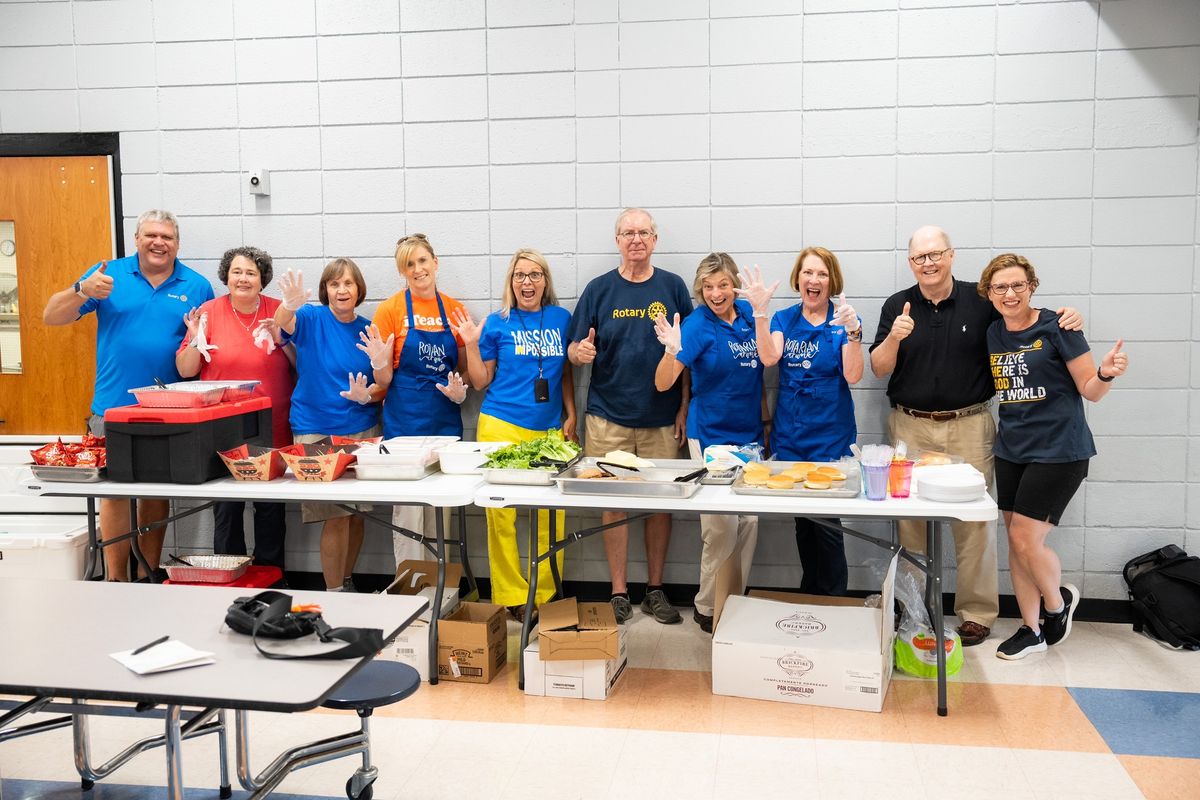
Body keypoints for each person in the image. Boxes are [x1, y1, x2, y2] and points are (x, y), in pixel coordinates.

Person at [869, 225, 1082, 646]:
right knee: (909, 524)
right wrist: (894, 336)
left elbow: (1023, 318)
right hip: (909, 425)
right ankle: (915, 609)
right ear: (910, 262)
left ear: (951, 255)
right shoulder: (897, 305)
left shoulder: (981, 301)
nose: (928, 263)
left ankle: (978, 614)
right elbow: (878, 368)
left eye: (936, 254)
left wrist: (1066, 317)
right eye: (919, 257)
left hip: (969, 424)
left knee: (974, 524)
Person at [43, 209, 214, 581]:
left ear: (177, 244)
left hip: (169, 414)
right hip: (112, 409)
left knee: (155, 496)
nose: (159, 242)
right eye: (151, 235)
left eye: (167, 237)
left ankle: (147, 576)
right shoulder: (107, 276)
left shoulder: (198, 286)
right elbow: (51, 316)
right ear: (136, 239)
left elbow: (202, 349)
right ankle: (115, 579)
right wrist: (80, 290)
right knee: (115, 495)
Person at [979, 254, 1127, 659]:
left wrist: (1107, 372)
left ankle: (1057, 604)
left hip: (1060, 450)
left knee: (1027, 538)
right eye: (1000, 287)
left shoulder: (1058, 326)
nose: (1009, 294)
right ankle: (1031, 630)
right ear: (989, 293)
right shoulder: (993, 332)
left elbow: (1090, 389)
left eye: (1017, 285)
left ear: (1031, 287)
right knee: (1014, 539)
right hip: (1011, 449)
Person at [567, 208, 693, 625]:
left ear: (655, 239)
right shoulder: (598, 289)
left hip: (661, 418)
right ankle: (619, 591)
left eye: (643, 232)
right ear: (617, 240)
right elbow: (574, 349)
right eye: (628, 233)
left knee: (661, 504)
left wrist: (684, 406)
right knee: (613, 505)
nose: (636, 239)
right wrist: (579, 352)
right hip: (608, 418)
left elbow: (687, 355)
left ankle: (655, 589)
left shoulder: (673, 287)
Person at [451, 249, 576, 622]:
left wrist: (571, 413)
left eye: (535, 275)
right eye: (520, 275)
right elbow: (479, 380)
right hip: (501, 425)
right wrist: (471, 343)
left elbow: (565, 372)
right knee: (500, 515)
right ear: (511, 281)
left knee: (552, 515)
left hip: (549, 431)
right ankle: (512, 596)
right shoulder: (496, 322)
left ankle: (546, 593)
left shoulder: (560, 319)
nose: (527, 282)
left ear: (545, 281)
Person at [739, 248, 863, 596]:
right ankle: (812, 594)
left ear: (831, 281)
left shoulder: (843, 320)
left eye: (822, 274)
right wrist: (760, 313)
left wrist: (854, 333)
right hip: (792, 435)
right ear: (798, 279)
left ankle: (834, 598)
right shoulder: (784, 318)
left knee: (828, 523)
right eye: (808, 273)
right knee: (804, 523)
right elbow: (768, 357)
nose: (814, 280)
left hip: (831, 437)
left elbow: (853, 375)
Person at [652, 253, 764, 634]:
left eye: (723, 285)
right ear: (700, 290)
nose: (716, 293)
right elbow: (663, 383)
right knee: (720, 527)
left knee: (749, 522)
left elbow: (761, 375)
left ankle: (733, 599)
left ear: (734, 285)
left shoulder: (750, 315)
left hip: (749, 436)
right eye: (708, 287)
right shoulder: (697, 325)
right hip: (711, 436)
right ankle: (706, 607)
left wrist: (766, 423)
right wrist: (671, 347)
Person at [273, 258, 391, 592]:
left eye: (348, 284)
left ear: (359, 290)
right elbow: (285, 324)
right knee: (336, 515)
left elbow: (383, 381)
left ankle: (348, 581)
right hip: (317, 428)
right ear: (325, 290)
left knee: (357, 514)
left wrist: (371, 389)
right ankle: (333, 592)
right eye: (334, 284)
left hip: (362, 429)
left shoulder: (368, 327)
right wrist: (287, 306)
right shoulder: (311, 318)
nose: (342, 290)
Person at [176, 246, 295, 570]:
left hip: (271, 422)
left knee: (270, 507)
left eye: (251, 273)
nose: (243, 279)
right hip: (222, 426)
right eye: (237, 272)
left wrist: (281, 339)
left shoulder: (278, 311)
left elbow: (302, 364)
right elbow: (187, 370)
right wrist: (195, 341)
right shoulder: (208, 312)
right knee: (226, 508)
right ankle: (229, 576)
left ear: (262, 280)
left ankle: (271, 576)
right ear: (226, 276)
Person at [372, 234, 467, 568]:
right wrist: (379, 365)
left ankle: (443, 592)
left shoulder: (454, 310)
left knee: (441, 512)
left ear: (435, 262)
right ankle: (412, 596)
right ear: (403, 271)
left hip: (445, 420)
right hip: (405, 423)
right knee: (411, 515)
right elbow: (382, 379)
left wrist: (461, 390)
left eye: (422, 261)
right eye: (409, 264)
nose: (417, 269)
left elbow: (465, 371)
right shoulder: (390, 310)